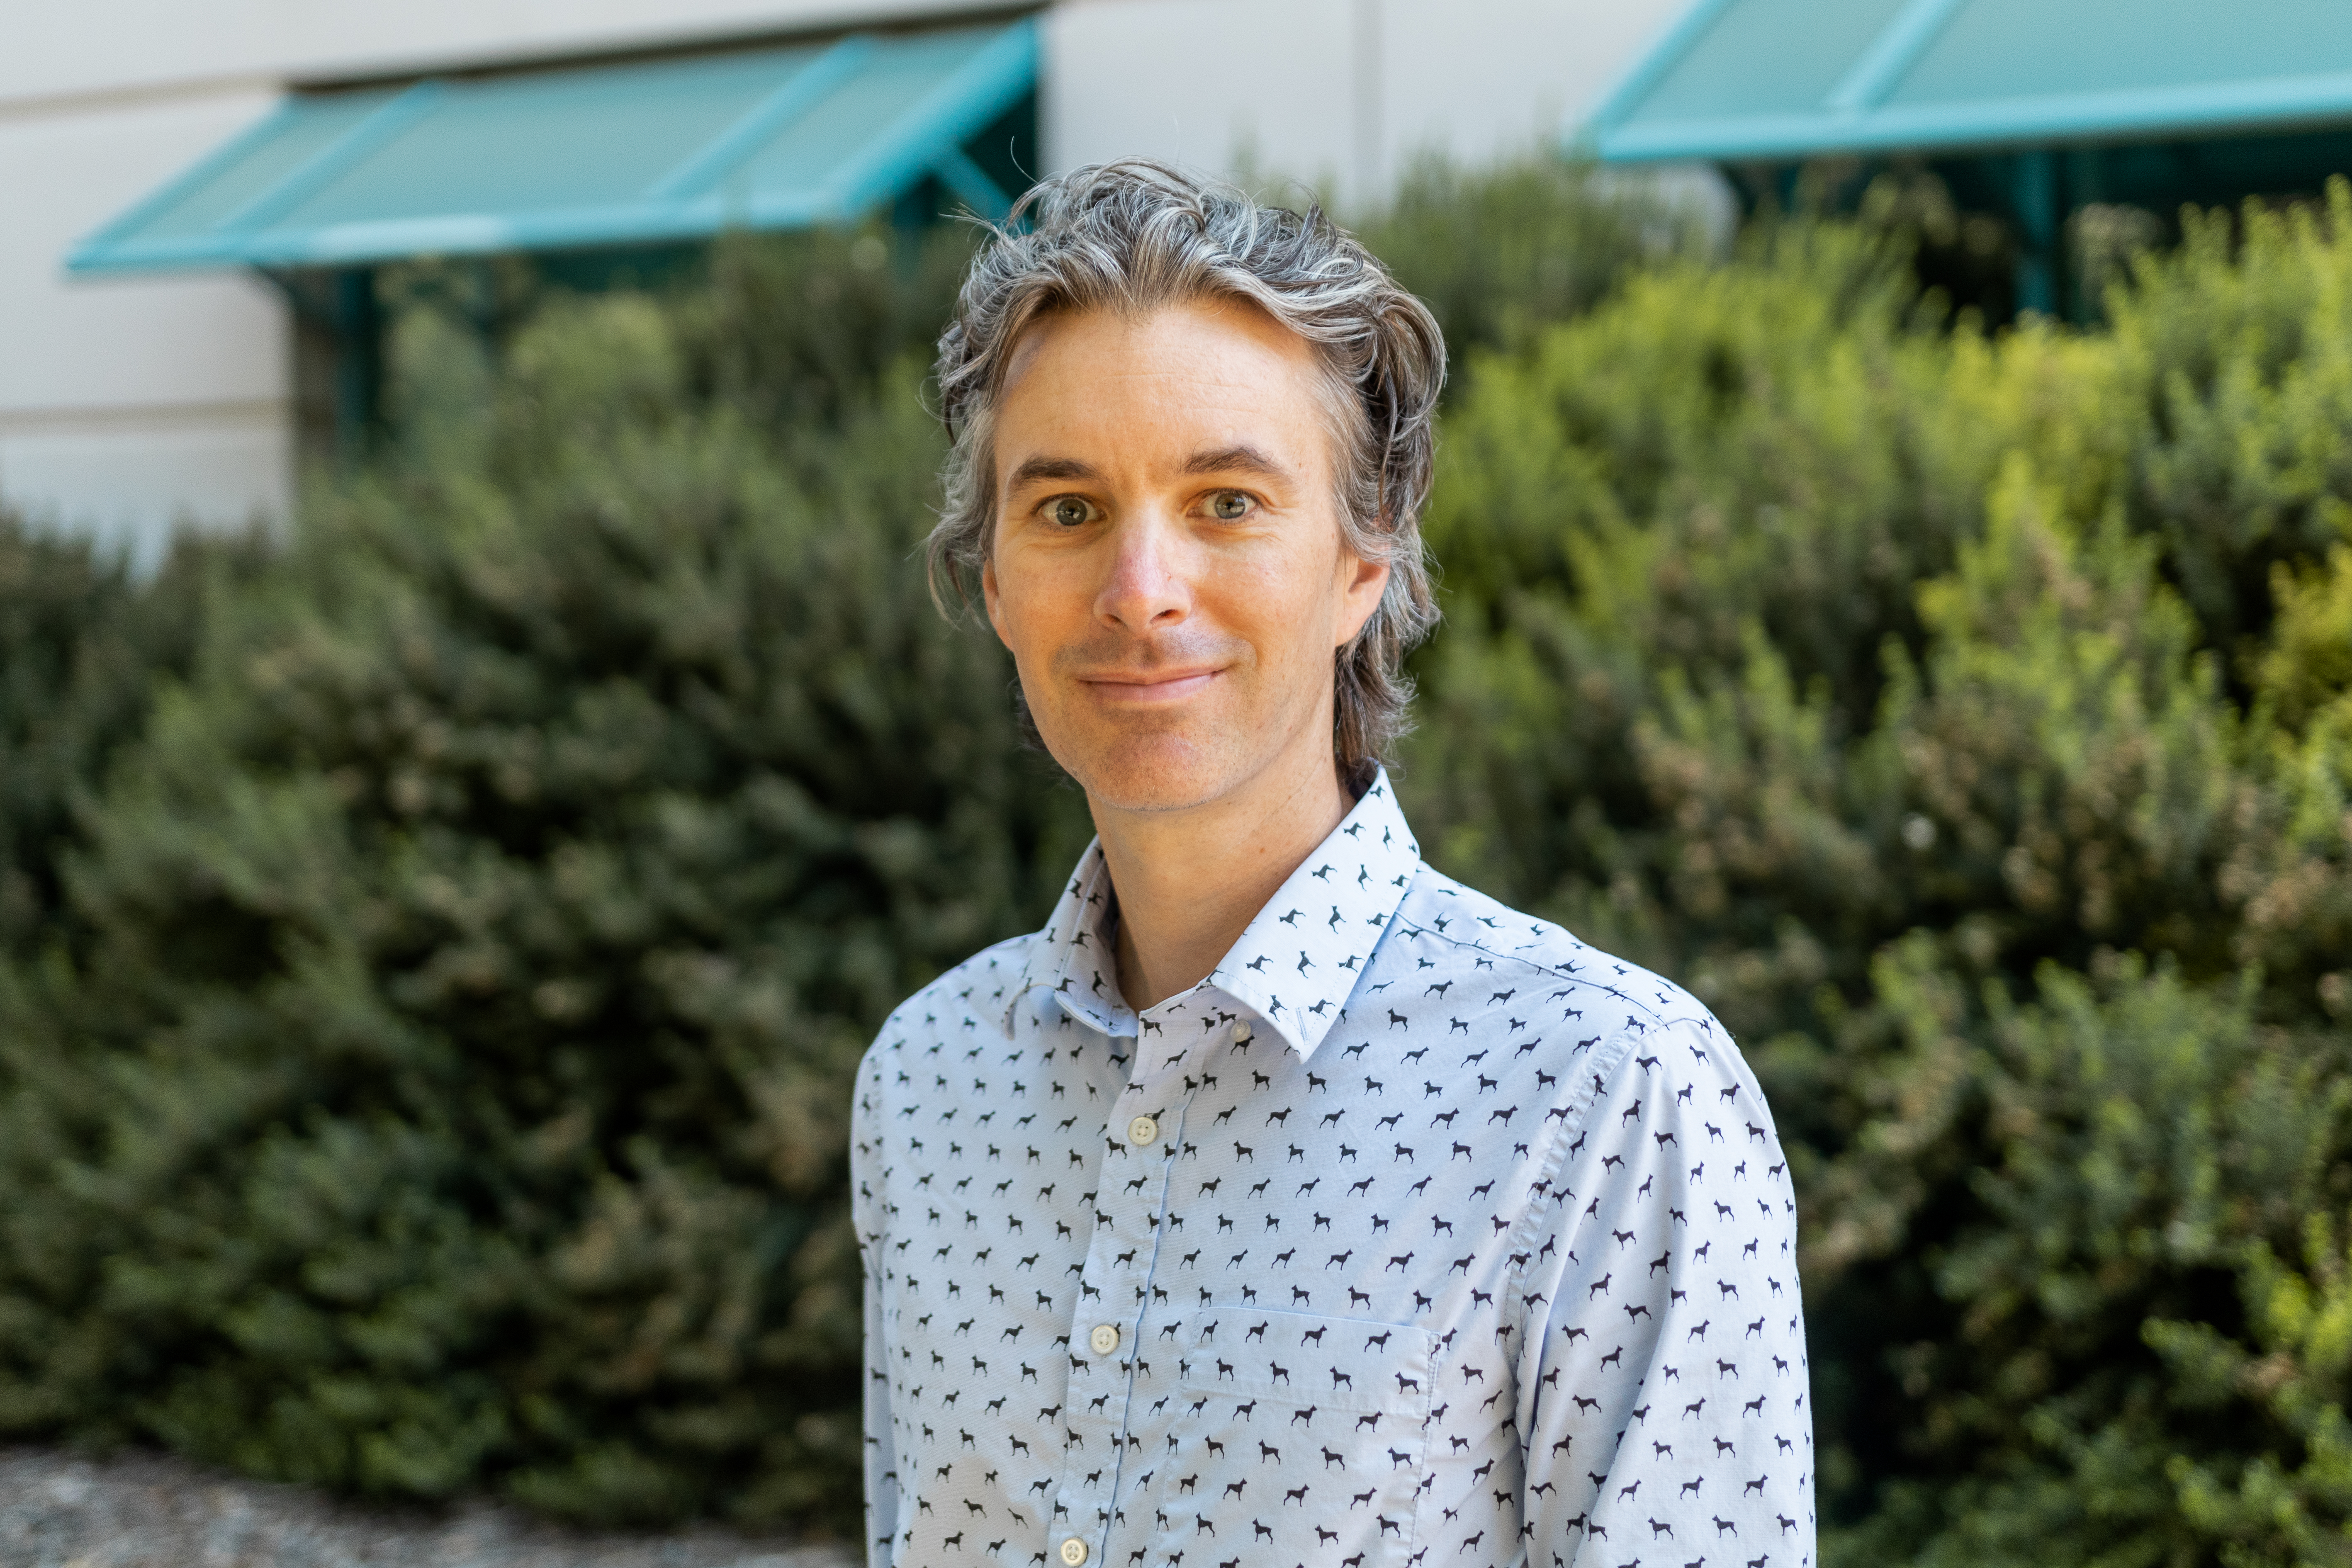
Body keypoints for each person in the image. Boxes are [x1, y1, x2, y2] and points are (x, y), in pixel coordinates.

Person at [850, 160, 1814, 1568]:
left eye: (1229, 503)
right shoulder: (926, 1084)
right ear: (993, 577)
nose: (1142, 592)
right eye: (1067, 510)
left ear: (1365, 562)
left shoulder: (1606, 1093)